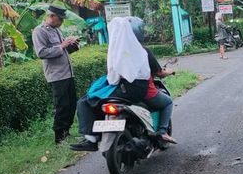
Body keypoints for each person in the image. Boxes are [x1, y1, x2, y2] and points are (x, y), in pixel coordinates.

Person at [70, 18, 178, 151]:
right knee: (168, 102)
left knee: (86, 100)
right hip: (139, 91)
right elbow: (157, 73)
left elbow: (113, 76)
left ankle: (91, 138)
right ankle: (162, 131)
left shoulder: (116, 51)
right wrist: (170, 71)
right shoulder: (143, 51)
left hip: (122, 88)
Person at [32, 5, 80, 144]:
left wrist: (73, 44)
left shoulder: (56, 30)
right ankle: (59, 137)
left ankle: (67, 132)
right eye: (60, 19)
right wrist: (62, 46)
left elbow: (63, 51)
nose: (62, 22)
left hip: (68, 73)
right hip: (57, 75)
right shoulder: (39, 31)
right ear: (52, 16)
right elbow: (41, 53)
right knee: (62, 105)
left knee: (72, 104)